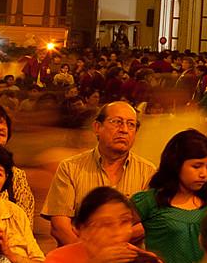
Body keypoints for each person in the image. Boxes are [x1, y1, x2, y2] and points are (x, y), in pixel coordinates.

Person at [41, 100, 156, 245]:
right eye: (117, 122)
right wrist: (90, 256)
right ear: (97, 127)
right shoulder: (70, 168)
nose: (124, 130)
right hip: (78, 260)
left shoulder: (148, 172)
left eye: (131, 124)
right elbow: (59, 226)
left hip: (129, 260)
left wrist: (113, 246)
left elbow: (150, 223)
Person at [131, 130, 207, 263]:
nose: (204, 173)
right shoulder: (150, 201)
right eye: (197, 166)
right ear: (176, 164)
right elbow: (116, 233)